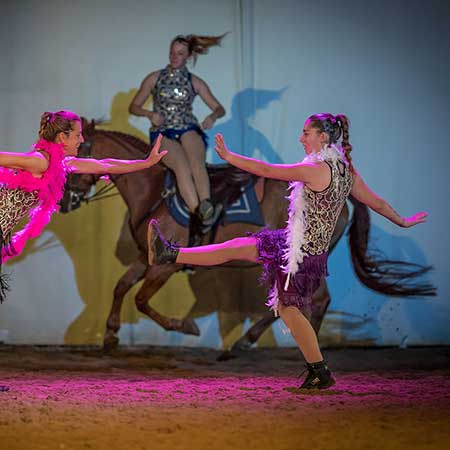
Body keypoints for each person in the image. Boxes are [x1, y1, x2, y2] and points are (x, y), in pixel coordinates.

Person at [146, 112, 428, 390]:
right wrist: (402, 221)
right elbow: (376, 203)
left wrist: (231, 158)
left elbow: (269, 171)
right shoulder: (346, 172)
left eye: (307, 133)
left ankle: (320, 371)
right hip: (291, 243)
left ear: (323, 137)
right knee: (236, 247)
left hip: (300, 254)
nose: (301, 138)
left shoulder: (315, 170)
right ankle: (169, 253)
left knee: (289, 310)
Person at [0, 109, 167, 302]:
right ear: (63, 137)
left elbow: (106, 165)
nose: (81, 140)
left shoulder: (64, 163)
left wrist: (146, 163)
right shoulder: (40, 162)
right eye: (78, 135)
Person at [129, 34, 226, 245]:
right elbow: (134, 106)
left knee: (196, 163)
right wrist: (148, 114)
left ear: (188, 56)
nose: (174, 57)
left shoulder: (194, 82)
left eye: (180, 54)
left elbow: (219, 108)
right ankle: (201, 216)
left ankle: (206, 205)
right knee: (182, 167)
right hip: (162, 131)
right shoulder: (154, 78)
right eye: (172, 53)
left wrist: (212, 116)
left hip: (187, 127)